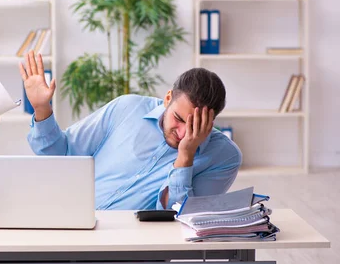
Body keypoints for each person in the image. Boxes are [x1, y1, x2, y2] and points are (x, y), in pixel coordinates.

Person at [19, 51, 242, 211]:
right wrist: (41, 108)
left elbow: (181, 219)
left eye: (195, 126)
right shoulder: (127, 108)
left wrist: (186, 156)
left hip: (133, 256)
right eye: (178, 119)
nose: (183, 133)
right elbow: (58, 154)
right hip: (70, 225)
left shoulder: (224, 157)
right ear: (167, 99)